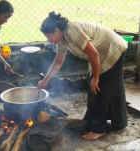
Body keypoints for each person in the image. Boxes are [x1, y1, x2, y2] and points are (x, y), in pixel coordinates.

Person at [38, 12, 128, 140]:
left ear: (57, 30)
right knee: (113, 87)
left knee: (99, 89)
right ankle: (118, 123)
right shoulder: (62, 39)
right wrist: (45, 80)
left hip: (112, 49)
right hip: (101, 53)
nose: (49, 40)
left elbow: (94, 54)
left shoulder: (72, 30)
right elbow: (58, 62)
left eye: (49, 36)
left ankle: (98, 129)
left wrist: (96, 78)